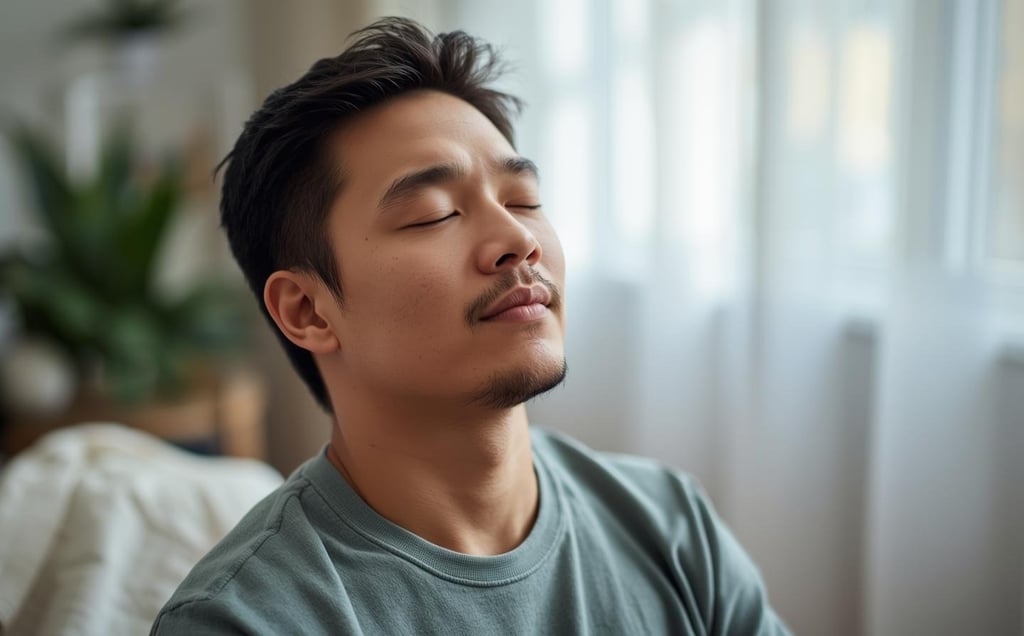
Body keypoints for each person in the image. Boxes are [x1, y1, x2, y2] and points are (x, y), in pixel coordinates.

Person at [152, 17, 789, 635]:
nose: (517, 240)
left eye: (524, 202)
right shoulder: (247, 619)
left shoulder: (669, 525)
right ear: (308, 311)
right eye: (433, 215)